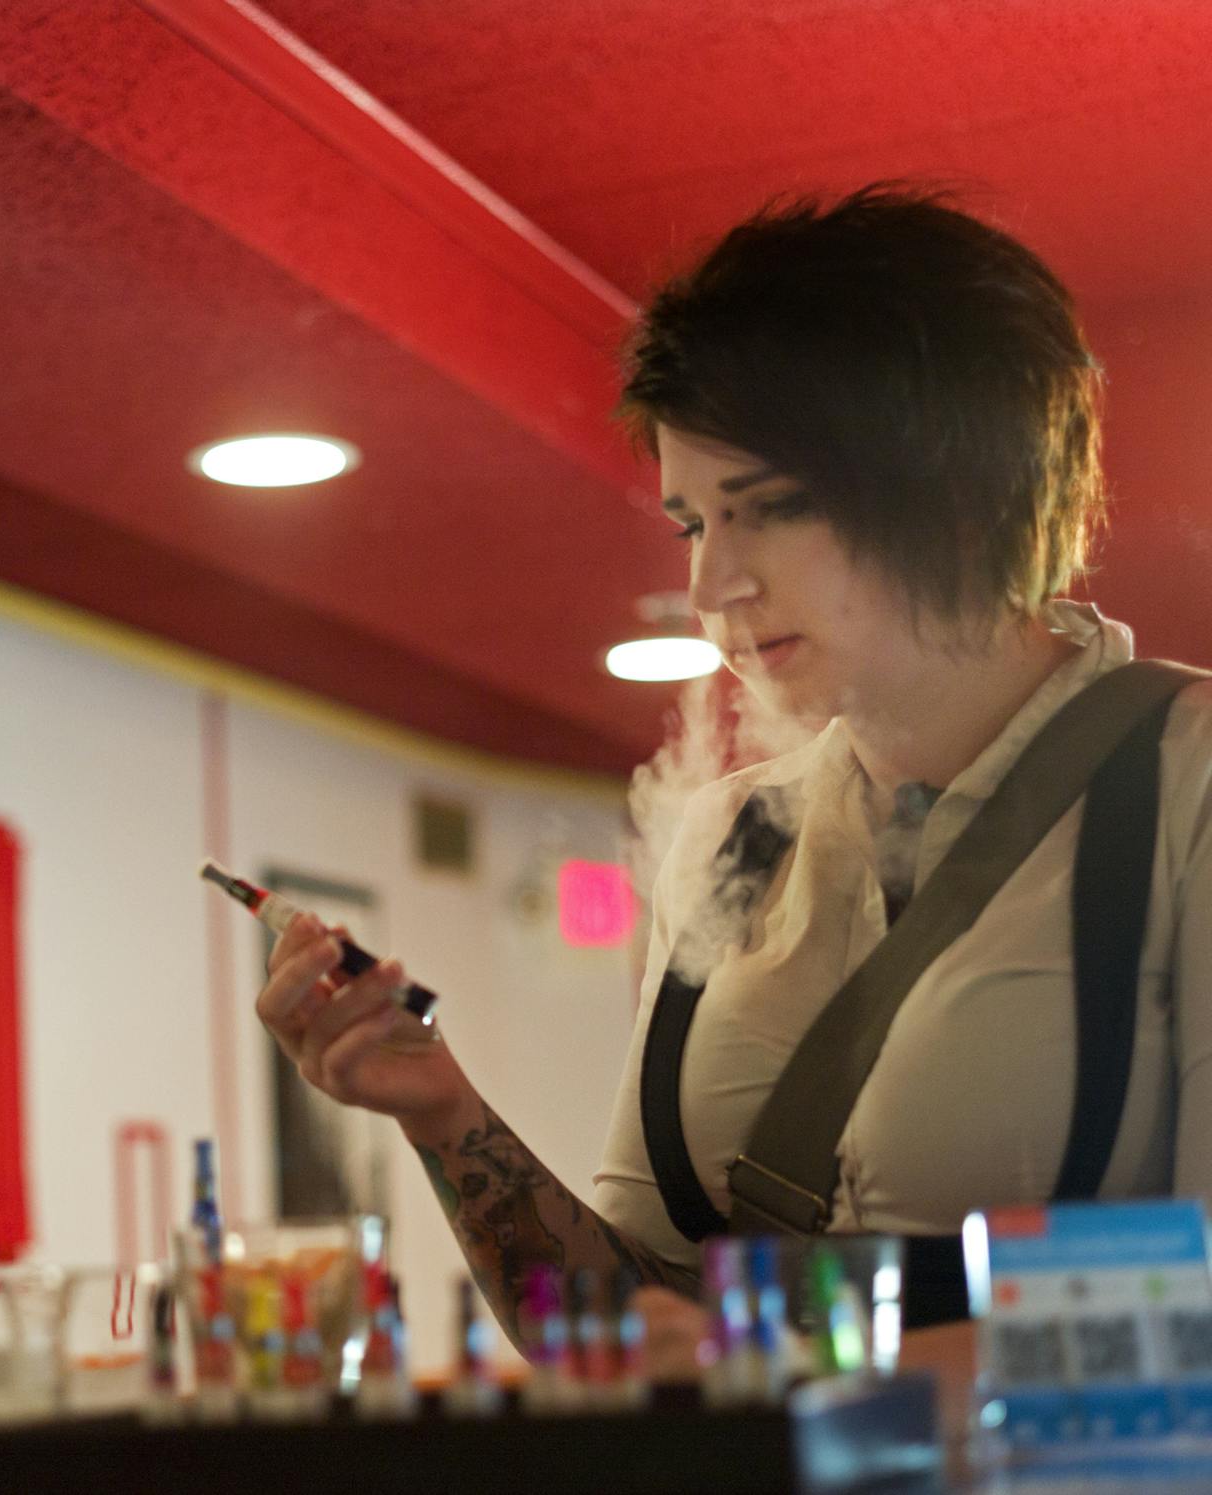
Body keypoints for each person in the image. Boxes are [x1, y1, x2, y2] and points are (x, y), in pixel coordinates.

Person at [258, 186, 1212, 1384]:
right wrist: (443, 1113)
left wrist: (795, 1363)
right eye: (689, 524)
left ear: (965, 496)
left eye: (771, 509)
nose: (714, 585)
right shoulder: (732, 835)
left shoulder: (1186, 777)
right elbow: (634, 1325)